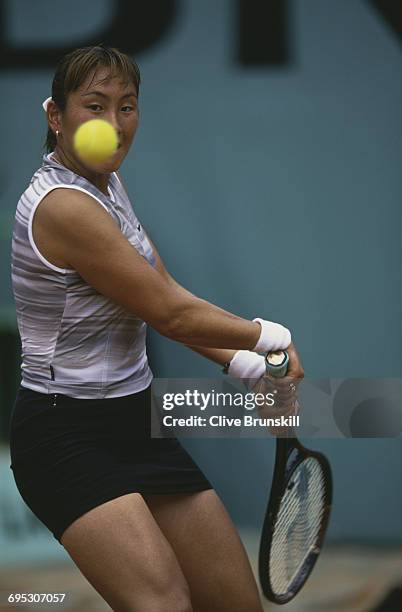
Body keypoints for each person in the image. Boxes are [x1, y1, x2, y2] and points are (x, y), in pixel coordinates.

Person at [9, 45, 303, 612]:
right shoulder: (63, 207)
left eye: (127, 107)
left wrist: (244, 367)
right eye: (95, 106)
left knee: (234, 603)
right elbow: (169, 313)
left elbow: (162, 293)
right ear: (56, 116)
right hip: (63, 434)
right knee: (163, 603)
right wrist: (270, 338)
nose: (114, 125)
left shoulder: (107, 184)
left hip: (134, 421)